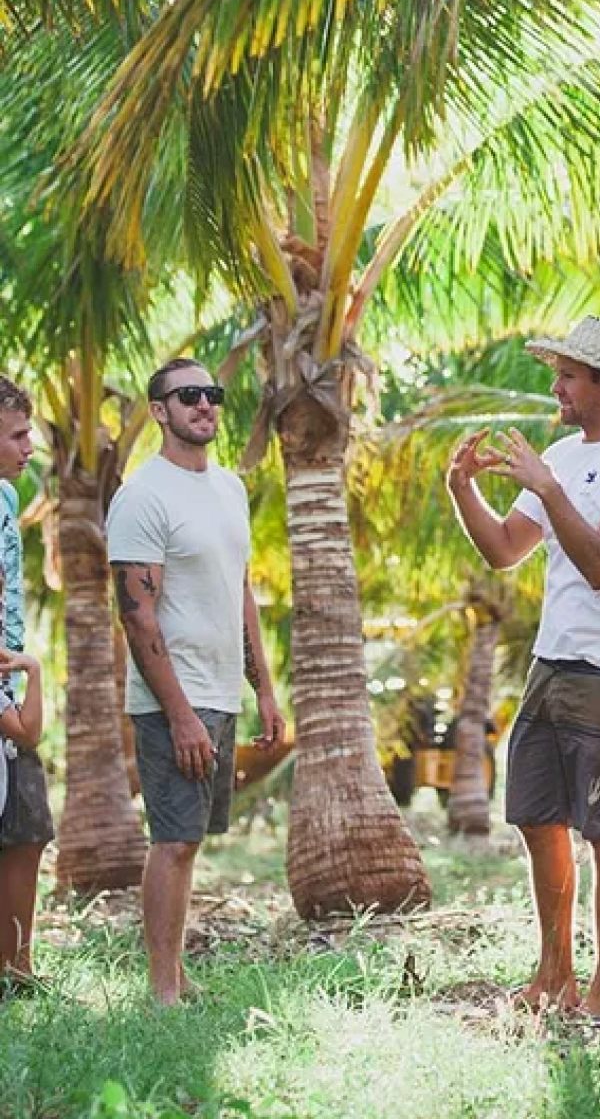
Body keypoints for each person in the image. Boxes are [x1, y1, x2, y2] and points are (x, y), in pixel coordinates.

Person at [446, 315, 600, 1018]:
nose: (557, 388)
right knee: (537, 820)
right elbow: (506, 548)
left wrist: (549, 489)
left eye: (570, 376)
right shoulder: (562, 456)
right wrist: (462, 489)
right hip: (552, 666)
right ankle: (555, 974)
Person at [106, 358, 287, 1005]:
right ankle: (162, 993)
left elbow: (240, 592)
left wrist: (263, 688)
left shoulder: (230, 488)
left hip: (219, 691)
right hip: (171, 700)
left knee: (191, 842)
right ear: (159, 410)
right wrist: (179, 713)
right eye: (188, 396)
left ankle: (177, 976)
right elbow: (136, 615)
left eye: (211, 395)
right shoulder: (142, 496)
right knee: (175, 840)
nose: (204, 405)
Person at [0, 375, 54, 992]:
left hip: (12, 682)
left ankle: (18, 971)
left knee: (28, 829)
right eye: (17, 435)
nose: (30, 446)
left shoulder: (9, 502)